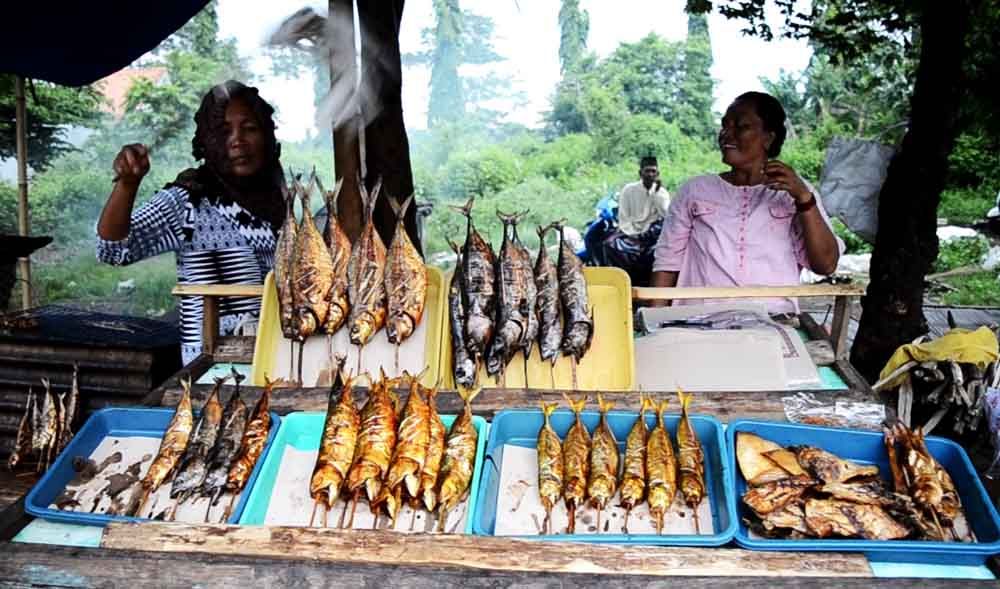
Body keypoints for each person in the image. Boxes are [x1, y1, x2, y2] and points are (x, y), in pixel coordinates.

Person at [96, 81, 286, 364]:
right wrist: (127, 184)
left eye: (250, 128)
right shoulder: (190, 200)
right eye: (224, 131)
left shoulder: (285, 201)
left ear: (268, 136)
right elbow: (112, 249)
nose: (237, 140)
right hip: (215, 371)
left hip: (282, 360)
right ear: (207, 141)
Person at [650, 91, 842, 313]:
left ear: (768, 138)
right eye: (725, 126)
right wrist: (655, 324)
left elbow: (826, 265)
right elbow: (667, 263)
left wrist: (804, 201)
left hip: (771, 321)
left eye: (740, 127)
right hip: (698, 321)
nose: (726, 134)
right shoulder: (694, 191)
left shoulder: (795, 192)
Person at [599, 156, 671, 285]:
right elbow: (624, 216)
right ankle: (620, 281)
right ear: (640, 173)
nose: (650, 174)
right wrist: (633, 234)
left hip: (652, 234)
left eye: (653, 171)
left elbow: (666, 215)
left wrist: (656, 193)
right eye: (647, 171)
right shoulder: (628, 190)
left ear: (657, 174)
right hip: (630, 231)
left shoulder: (661, 193)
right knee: (609, 245)